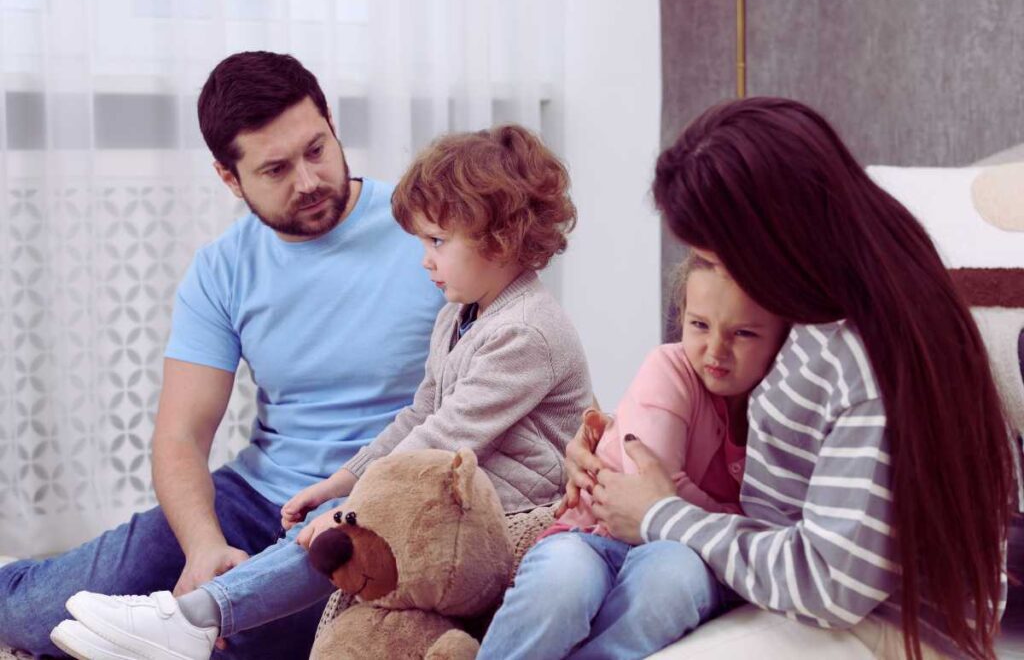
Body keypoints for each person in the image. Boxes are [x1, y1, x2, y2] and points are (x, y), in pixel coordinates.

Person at [52, 124, 594, 660]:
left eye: (437, 241)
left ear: (501, 238)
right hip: (456, 502)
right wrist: (341, 481)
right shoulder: (458, 313)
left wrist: (351, 507)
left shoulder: (526, 332)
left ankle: (201, 617)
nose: (424, 259)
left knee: (343, 533)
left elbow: (445, 437)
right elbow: (420, 414)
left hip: (512, 520)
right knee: (344, 523)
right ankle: (200, 617)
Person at [0, 51, 446, 659]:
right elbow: (180, 435)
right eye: (276, 169)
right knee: (34, 613)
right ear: (229, 177)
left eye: (316, 150)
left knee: (254, 637)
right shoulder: (222, 267)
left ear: (332, 125)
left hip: (378, 500)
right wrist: (204, 543)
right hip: (259, 497)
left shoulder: (430, 230)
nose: (309, 181)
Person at [559, 97, 1014, 659]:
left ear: (773, 242)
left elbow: (830, 584)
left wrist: (660, 514)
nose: (715, 279)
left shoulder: (863, 356)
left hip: (882, 634)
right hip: (803, 603)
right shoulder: (815, 312)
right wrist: (612, 451)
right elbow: (736, 429)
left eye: (720, 261)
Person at [478, 253, 790, 659]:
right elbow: (652, 488)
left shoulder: (785, 405)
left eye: (744, 333)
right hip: (594, 534)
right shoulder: (670, 366)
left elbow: (772, 530)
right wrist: (737, 521)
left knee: (673, 580)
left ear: (783, 336)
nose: (716, 349)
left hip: (689, 553)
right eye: (699, 325)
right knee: (562, 584)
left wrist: (702, 518)